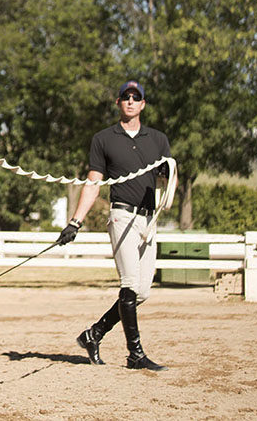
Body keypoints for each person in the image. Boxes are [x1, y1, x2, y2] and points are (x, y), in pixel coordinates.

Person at [57, 80, 173, 371]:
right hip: (122, 216)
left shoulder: (158, 140)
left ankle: (93, 334)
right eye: (126, 96)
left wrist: (166, 174)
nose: (131, 101)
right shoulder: (103, 139)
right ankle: (135, 355)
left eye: (136, 97)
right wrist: (75, 221)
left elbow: (170, 181)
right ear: (118, 103)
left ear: (143, 104)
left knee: (142, 292)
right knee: (130, 285)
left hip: (149, 219)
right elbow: (93, 182)